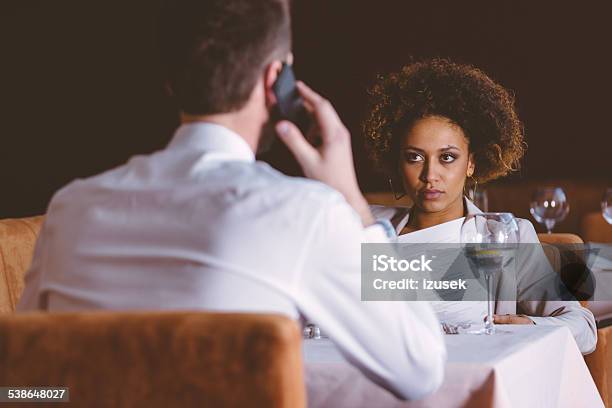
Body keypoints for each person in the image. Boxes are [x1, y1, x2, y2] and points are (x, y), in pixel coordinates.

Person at [17, 0, 446, 399]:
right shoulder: (307, 214)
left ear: (172, 79)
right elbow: (421, 369)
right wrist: (351, 198)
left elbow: (22, 385)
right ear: (276, 81)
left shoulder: (71, 209)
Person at [362, 58, 597, 353]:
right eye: (415, 157)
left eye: (447, 157)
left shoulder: (504, 237)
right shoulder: (366, 227)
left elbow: (584, 327)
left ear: (471, 163)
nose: (430, 175)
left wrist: (530, 326)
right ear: (398, 164)